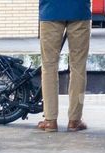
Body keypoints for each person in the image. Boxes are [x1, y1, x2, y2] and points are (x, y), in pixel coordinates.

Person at [37, 0, 90, 133]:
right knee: (78, 67)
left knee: (49, 66)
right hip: (79, 10)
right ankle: (74, 120)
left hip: (50, 10)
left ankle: (50, 120)